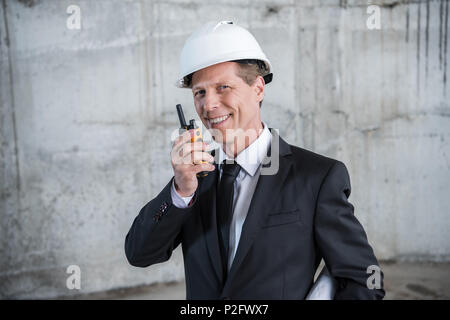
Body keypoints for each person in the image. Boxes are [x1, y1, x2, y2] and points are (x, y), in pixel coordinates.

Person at [125, 21, 385, 300]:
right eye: (199, 92)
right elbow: (140, 254)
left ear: (258, 88)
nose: (208, 105)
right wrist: (180, 191)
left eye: (223, 87)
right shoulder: (195, 176)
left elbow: (366, 279)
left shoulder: (317, 177)